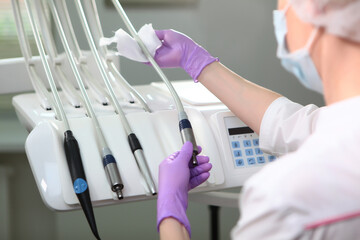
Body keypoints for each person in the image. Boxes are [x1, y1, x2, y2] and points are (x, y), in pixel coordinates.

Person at [154, 0, 360, 239]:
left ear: (313, 8)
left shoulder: (285, 199)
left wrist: (170, 212)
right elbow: (297, 125)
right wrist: (197, 62)